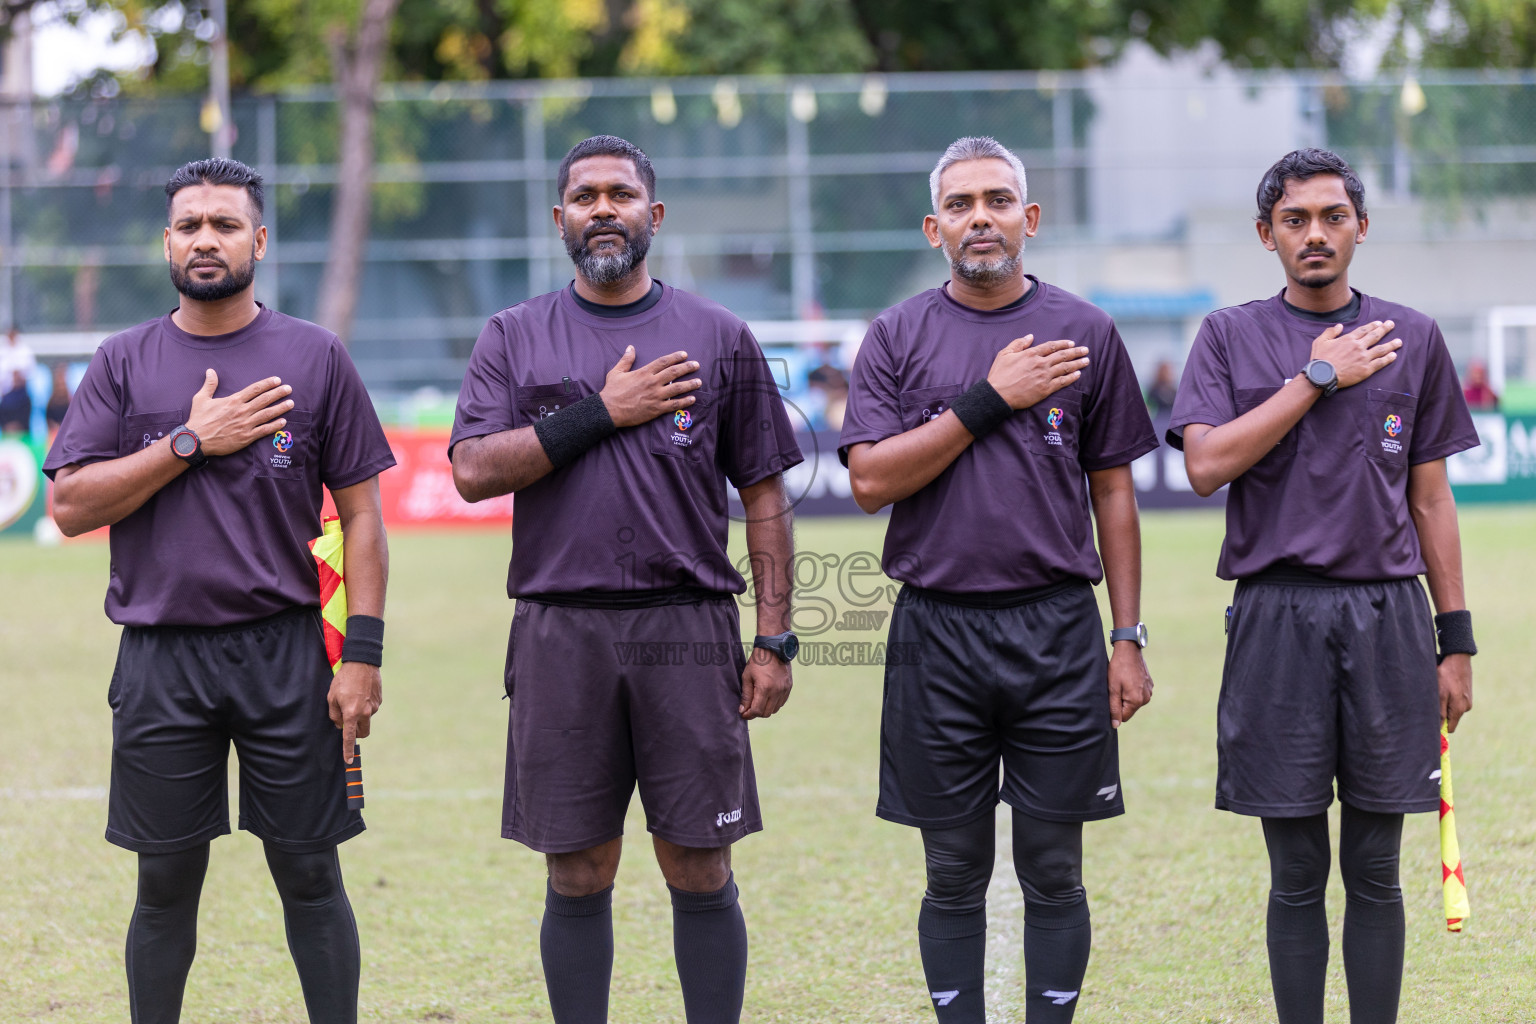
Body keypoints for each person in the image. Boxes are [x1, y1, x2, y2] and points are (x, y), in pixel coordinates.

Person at [449, 135, 803, 1024]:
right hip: (559, 630)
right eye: (584, 195)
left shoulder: (718, 336)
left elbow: (764, 494)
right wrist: (601, 413)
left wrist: (773, 636)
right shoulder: (513, 335)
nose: (602, 207)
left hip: (687, 630)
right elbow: (474, 471)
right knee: (577, 866)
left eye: (620, 193)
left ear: (654, 213)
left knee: (700, 862)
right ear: (559, 217)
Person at [43, 158, 396, 1024]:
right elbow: (69, 503)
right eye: (191, 224)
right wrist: (188, 441)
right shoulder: (123, 361)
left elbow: (364, 520)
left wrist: (365, 657)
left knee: (311, 873)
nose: (207, 238)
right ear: (167, 241)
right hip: (161, 659)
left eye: (226, 224)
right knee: (164, 883)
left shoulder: (314, 356)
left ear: (259, 241)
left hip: (288, 655)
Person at [839, 136, 1158, 1024]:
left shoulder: (1087, 330)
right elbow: (870, 482)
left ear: (1031, 218)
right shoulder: (897, 335)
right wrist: (989, 396)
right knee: (952, 870)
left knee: (1055, 867)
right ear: (934, 225)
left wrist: (1125, 637)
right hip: (936, 633)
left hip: (1057, 629)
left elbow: (1113, 494)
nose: (983, 217)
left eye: (999, 199)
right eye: (963, 203)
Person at [1167, 148, 1479, 1024]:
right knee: (1297, 871)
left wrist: (1456, 640)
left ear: (1361, 228)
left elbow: (1431, 497)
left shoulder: (1413, 337)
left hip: (1388, 618)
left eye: (1332, 216)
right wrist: (1316, 376)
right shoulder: (1230, 336)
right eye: (1295, 220)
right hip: (1276, 618)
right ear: (1266, 235)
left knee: (1377, 869)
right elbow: (1203, 465)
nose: (1315, 234)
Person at [1, 326, 36, 434]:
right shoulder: (2, 351)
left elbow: (30, 372)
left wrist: (19, 376)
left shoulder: (25, 351)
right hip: (5, 393)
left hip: (20, 394)